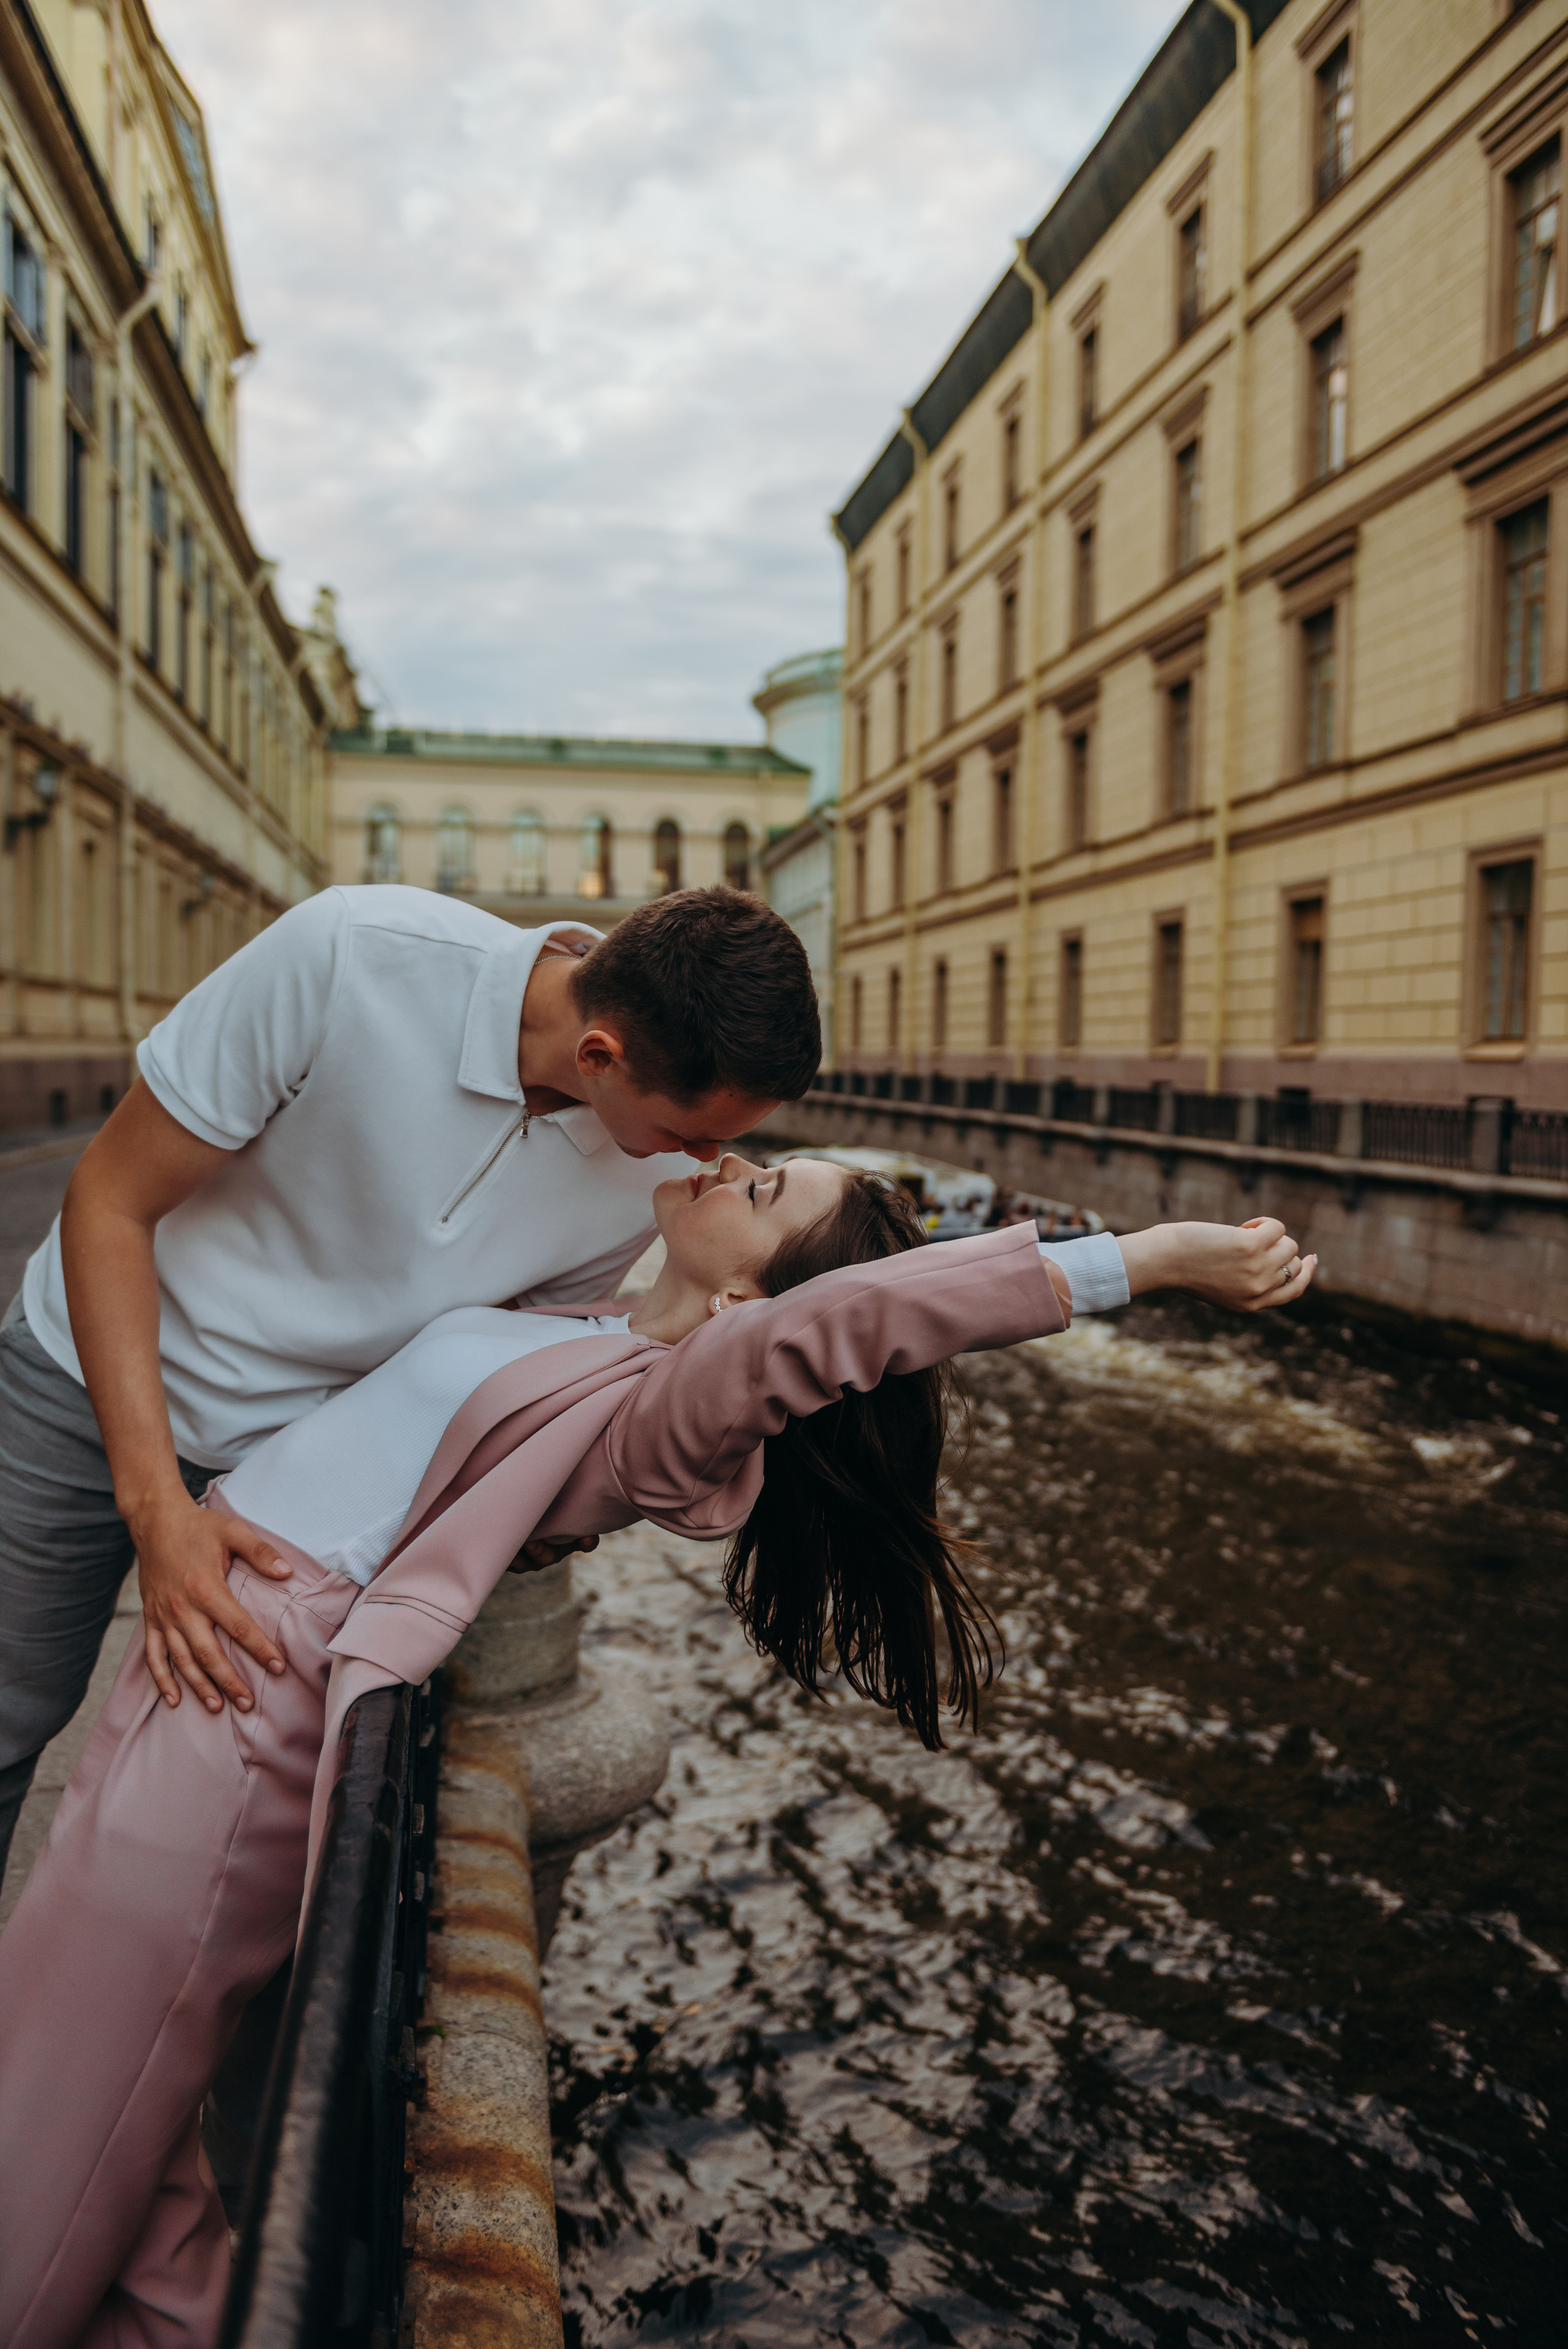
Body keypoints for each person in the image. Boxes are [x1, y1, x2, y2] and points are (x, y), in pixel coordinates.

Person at [0, 1154, 1316, 2348]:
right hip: (207, 1644)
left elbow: (839, 1324)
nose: (734, 1167)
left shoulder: (662, 1416)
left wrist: (1139, 1259)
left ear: (752, 1295)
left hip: (249, 1704)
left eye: (766, 1188)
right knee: (132, 2138)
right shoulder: (585, 1325)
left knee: (59, 2100)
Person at [0, 881, 821, 1879]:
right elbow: (110, 1202)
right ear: (599, 1055)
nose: (712, 1163)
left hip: (297, 1458)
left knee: (224, 1782)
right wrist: (157, 1512)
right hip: (92, 1374)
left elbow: (489, 1355)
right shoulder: (349, 955)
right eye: (692, 1131)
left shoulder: (650, 1177)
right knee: (10, 1709)